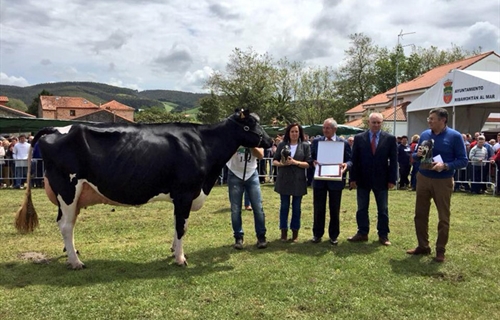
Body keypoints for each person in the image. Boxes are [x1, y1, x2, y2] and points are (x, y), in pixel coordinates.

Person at [406, 108, 468, 263]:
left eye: (432, 118)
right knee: (420, 214)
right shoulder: (425, 134)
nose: (429, 121)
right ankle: (423, 246)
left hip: (443, 181)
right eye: (429, 118)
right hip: (423, 177)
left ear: (443, 120)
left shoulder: (455, 136)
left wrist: (445, 165)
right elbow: (416, 156)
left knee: (443, 217)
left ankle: (440, 250)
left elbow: (463, 160)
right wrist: (417, 155)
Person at [348, 113, 397, 246]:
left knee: (383, 209)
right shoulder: (359, 138)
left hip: (382, 179)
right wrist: (352, 178)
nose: (376, 125)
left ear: (382, 123)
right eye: (373, 122)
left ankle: (383, 235)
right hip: (363, 179)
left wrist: (392, 179)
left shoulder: (390, 139)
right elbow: (354, 160)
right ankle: (362, 232)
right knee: (362, 208)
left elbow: (393, 161)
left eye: (378, 122)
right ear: (368, 123)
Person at [310, 118, 352, 245]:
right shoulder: (317, 142)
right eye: (324, 128)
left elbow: (350, 160)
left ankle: (333, 235)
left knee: (334, 209)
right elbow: (310, 157)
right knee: (318, 208)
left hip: (335, 180)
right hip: (320, 180)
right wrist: (313, 162)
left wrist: (346, 165)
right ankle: (317, 234)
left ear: (335, 129)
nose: (325, 130)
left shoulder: (343, 143)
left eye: (328, 128)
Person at [272, 123, 312, 242]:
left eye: (296, 131)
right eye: (292, 131)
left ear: (300, 133)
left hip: (298, 181)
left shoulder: (305, 146)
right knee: (284, 206)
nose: (294, 134)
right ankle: (283, 232)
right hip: (284, 179)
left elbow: (308, 163)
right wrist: (281, 164)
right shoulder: (282, 145)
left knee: (296, 207)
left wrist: (295, 162)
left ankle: (295, 232)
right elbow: (275, 160)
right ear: (288, 133)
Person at [227, 146, 268, 250]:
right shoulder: (234, 136)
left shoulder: (255, 136)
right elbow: (226, 155)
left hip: (251, 173)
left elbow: (261, 155)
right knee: (235, 209)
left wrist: (251, 146)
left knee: (258, 207)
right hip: (234, 173)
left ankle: (261, 237)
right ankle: (238, 237)